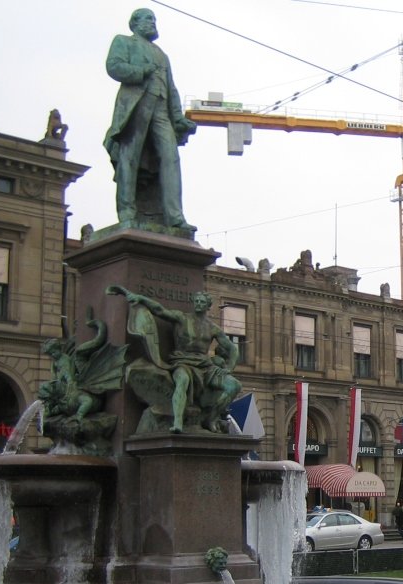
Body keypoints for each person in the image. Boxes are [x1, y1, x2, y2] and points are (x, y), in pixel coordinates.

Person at [104, 8, 196, 231]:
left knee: (170, 158)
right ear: (135, 23)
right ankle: (127, 212)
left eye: (154, 19)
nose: (153, 23)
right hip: (137, 105)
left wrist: (178, 118)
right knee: (130, 156)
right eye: (148, 19)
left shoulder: (162, 54)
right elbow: (113, 66)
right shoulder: (124, 41)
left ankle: (175, 216)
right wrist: (141, 71)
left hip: (161, 110)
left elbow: (172, 89)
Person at [108, 285, 240, 433]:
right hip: (182, 363)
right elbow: (159, 310)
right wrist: (140, 298)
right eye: (196, 301)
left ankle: (211, 418)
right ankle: (178, 422)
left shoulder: (212, 328)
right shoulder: (182, 318)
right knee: (182, 380)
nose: (198, 304)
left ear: (208, 306)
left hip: (205, 366)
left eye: (202, 302)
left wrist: (228, 368)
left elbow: (232, 348)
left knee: (234, 386)